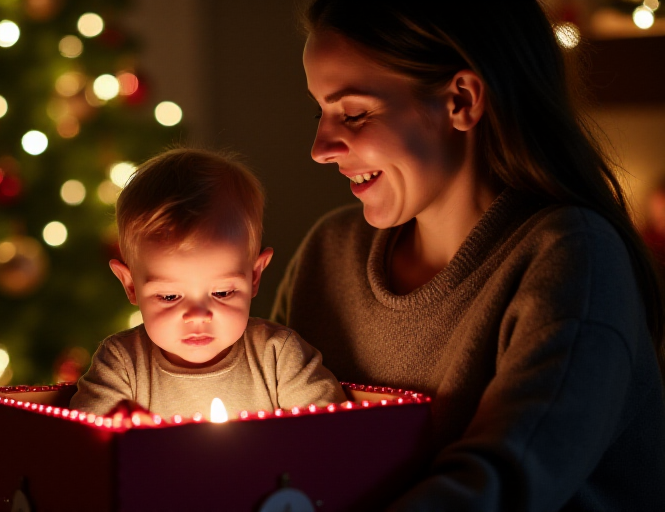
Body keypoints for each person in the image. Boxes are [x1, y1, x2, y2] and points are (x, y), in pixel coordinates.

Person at [273, 1, 665, 510]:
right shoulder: (328, 253)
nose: (320, 147)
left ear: (461, 100)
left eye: (353, 113)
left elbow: (501, 483)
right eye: (320, 112)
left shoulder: (573, 257)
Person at [70, 148, 346, 419]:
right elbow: (83, 446)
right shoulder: (122, 365)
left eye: (222, 292)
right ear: (130, 285)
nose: (198, 315)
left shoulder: (279, 357)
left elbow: (332, 435)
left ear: (254, 276)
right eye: (169, 296)